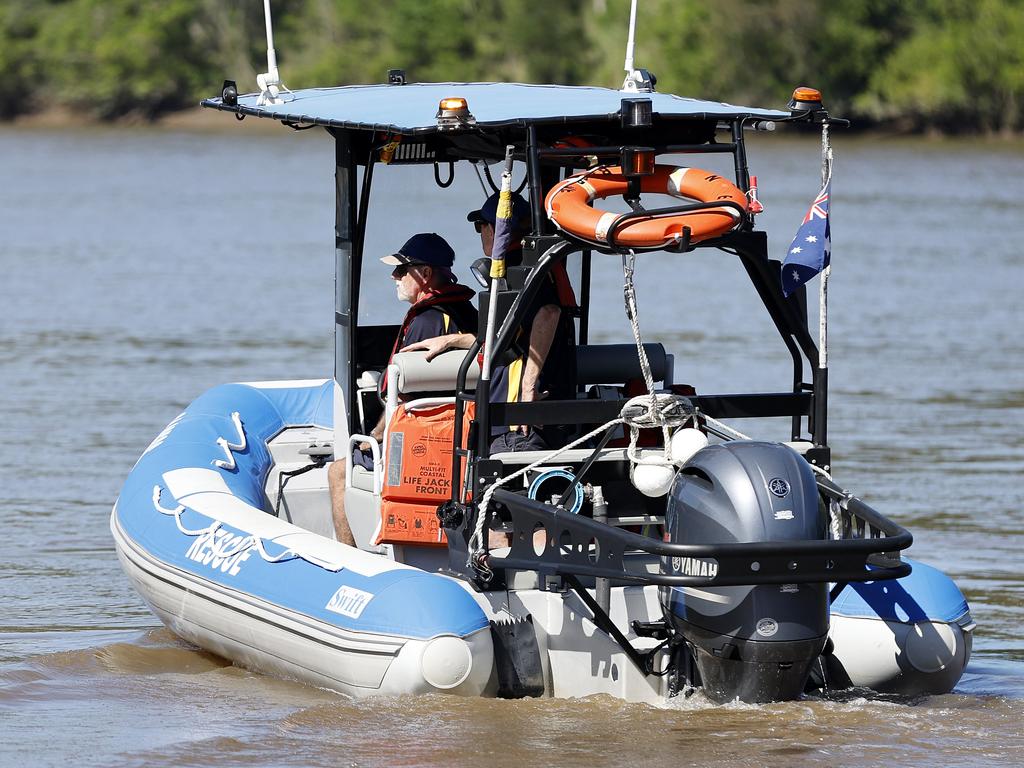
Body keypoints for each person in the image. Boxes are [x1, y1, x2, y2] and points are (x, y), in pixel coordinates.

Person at [327, 233, 477, 546]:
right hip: (461, 435)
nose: (394, 277)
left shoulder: (426, 323)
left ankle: (349, 556)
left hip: (422, 441)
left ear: (424, 275)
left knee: (338, 472)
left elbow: (406, 395)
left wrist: (376, 437)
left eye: (401, 270)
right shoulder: (467, 313)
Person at [402, 192, 576, 451]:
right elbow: (508, 335)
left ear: (497, 228)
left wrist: (528, 387)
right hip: (533, 419)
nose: (480, 232)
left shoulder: (522, 270)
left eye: (480, 225)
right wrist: (453, 340)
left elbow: (548, 313)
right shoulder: (538, 266)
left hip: (518, 426)